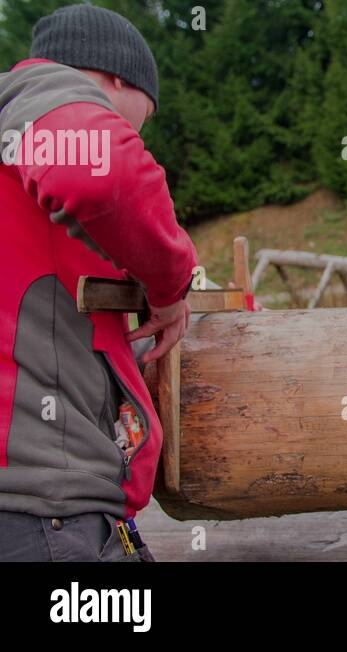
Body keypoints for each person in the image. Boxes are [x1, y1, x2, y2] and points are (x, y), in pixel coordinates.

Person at [0, 5, 198, 561]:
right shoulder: (45, 91)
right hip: (39, 516)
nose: (139, 134)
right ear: (116, 78)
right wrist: (169, 282)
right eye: (144, 117)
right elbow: (101, 171)